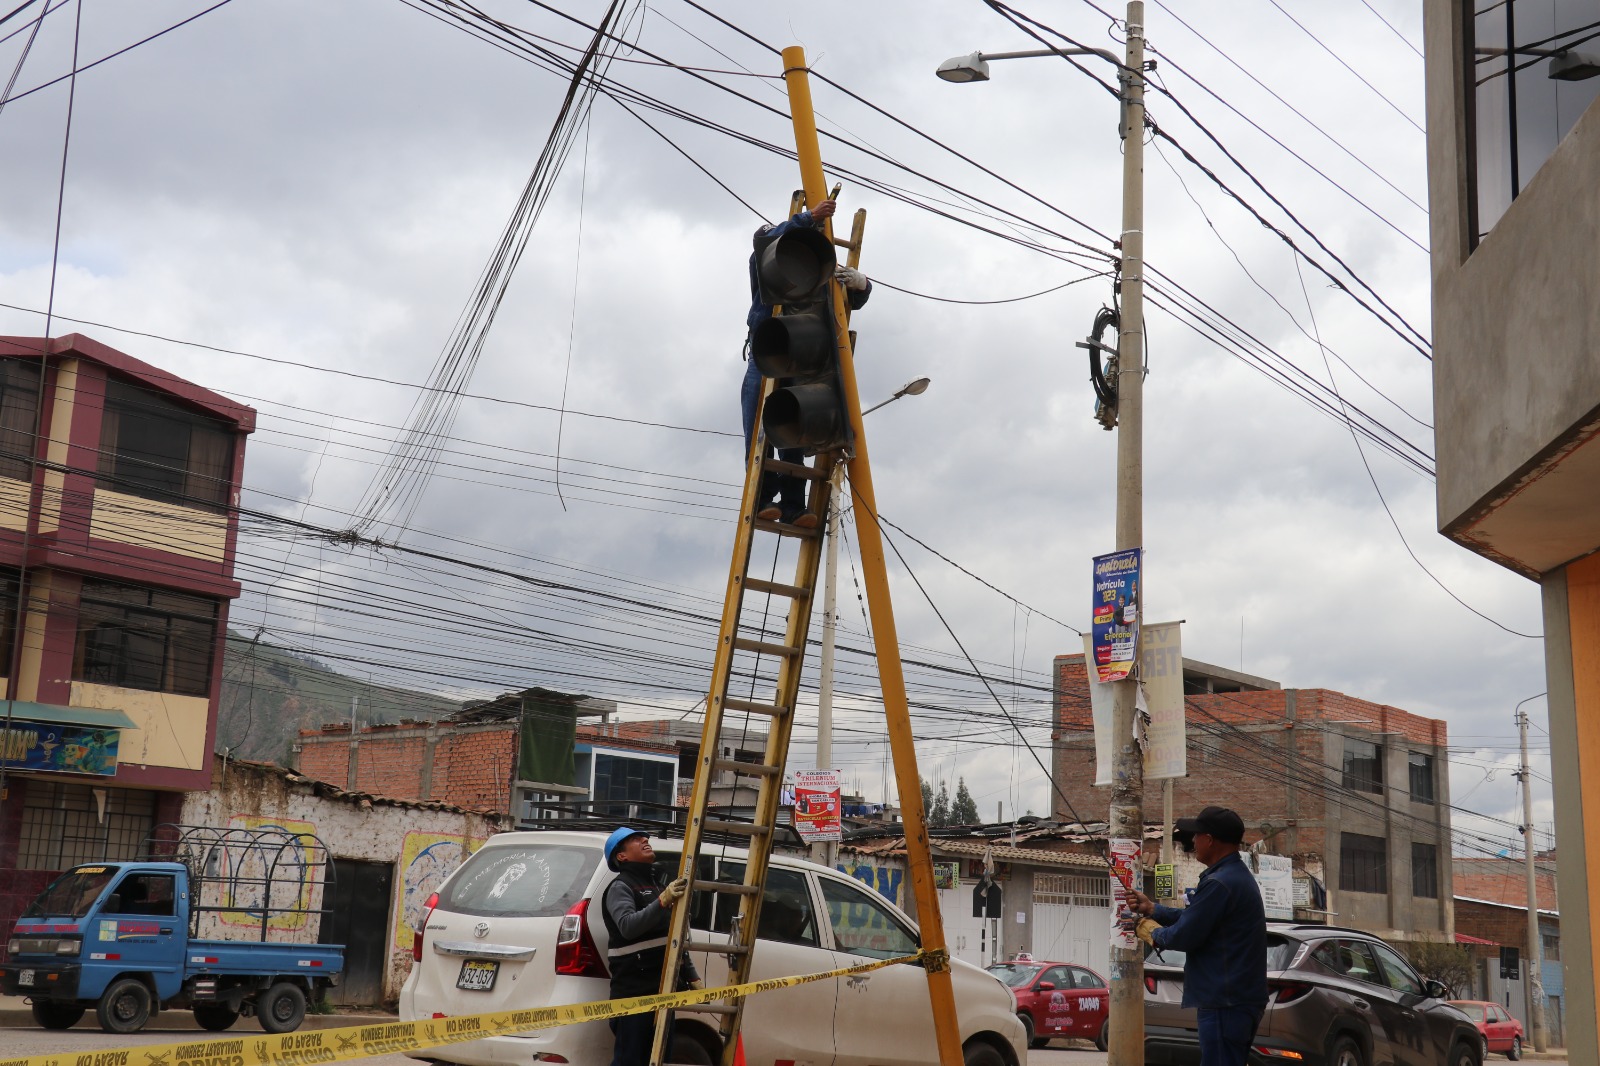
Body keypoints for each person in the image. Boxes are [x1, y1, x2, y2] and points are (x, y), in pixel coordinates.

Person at [743, 198, 872, 526]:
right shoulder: (772, 250)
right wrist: (806, 219)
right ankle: (762, 497)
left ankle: (792, 504)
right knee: (758, 423)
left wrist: (862, 285)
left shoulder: (822, 273)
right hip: (768, 350)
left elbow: (847, 305)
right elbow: (762, 239)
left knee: (794, 423)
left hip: (804, 360)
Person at [1122, 805, 1267, 1066]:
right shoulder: (1231, 877)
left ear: (1209, 840)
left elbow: (1184, 935)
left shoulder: (1220, 883)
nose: (1192, 841)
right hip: (1234, 1000)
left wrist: (1148, 929)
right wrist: (1153, 908)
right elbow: (1196, 920)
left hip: (1225, 1002)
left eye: (1196, 835)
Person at [600, 827, 700, 1066]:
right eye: (635, 840)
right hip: (634, 993)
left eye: (644, 837)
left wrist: (690, 974)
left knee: (658, 1059)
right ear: (621, 856)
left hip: (662, 990)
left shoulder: (656, 884)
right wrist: (662, 901)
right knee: (631, 1060)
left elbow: (670, 936)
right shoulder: (620, 887)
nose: (645, 840)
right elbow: (628, 926)